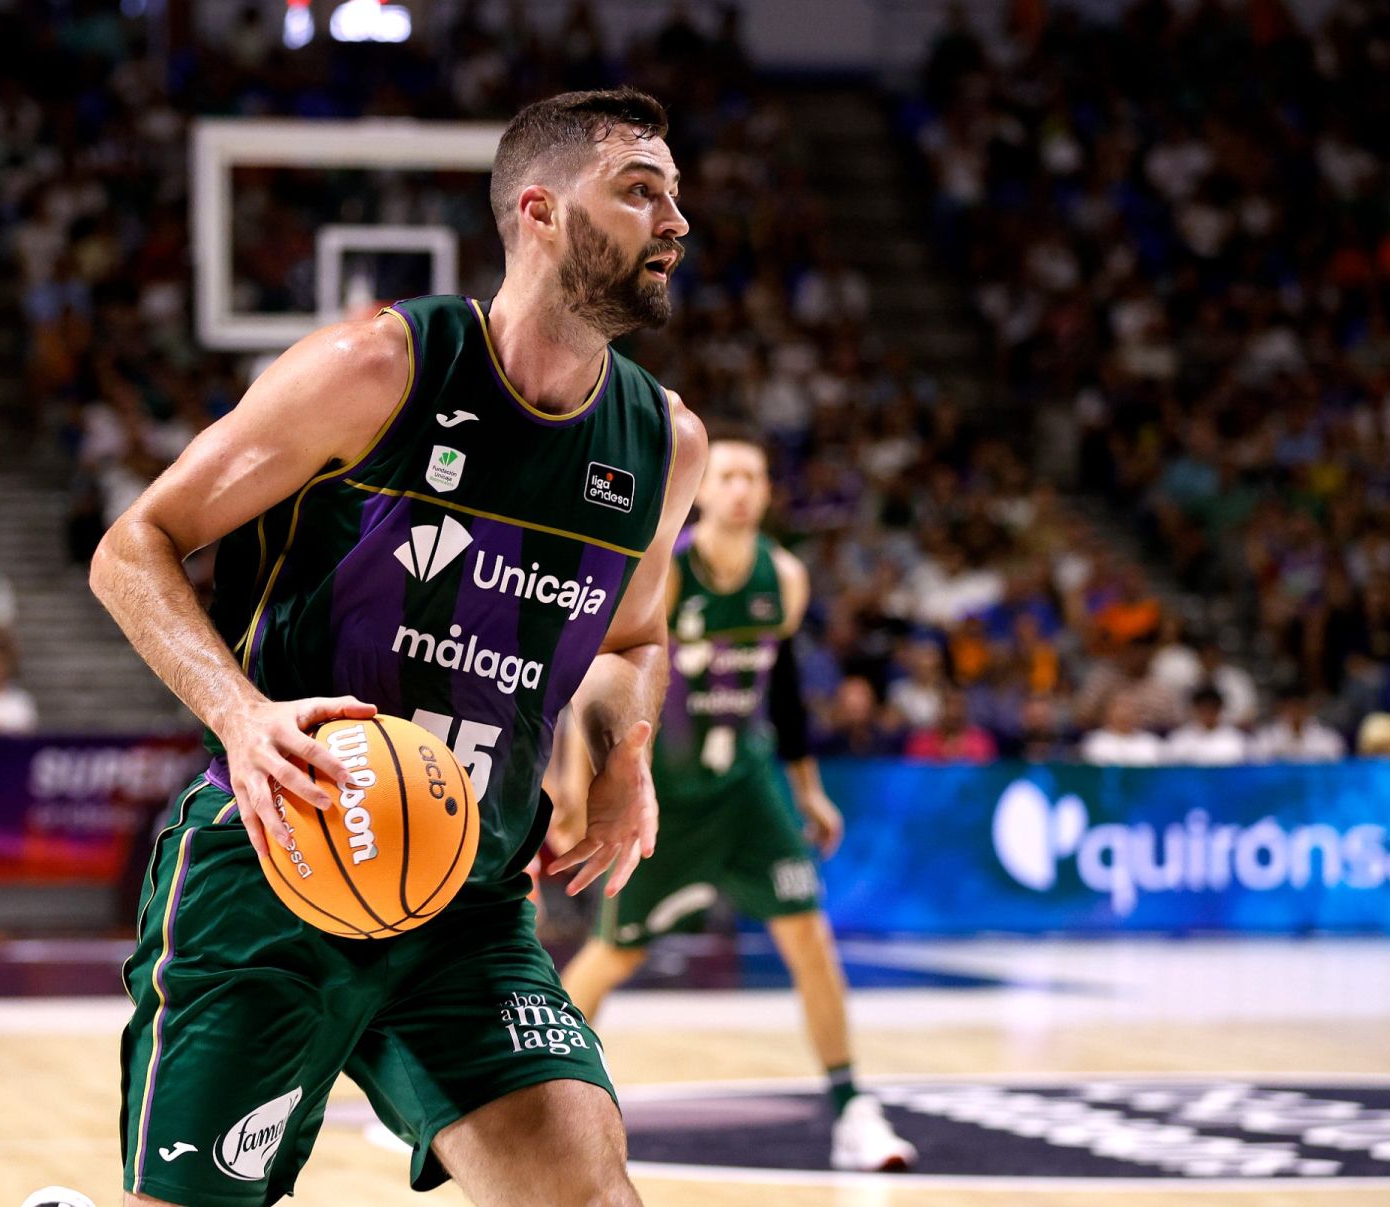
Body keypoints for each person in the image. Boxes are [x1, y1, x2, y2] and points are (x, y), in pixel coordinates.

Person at [90, 88, 706, 1207]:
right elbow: (134, 548)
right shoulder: (378, 369)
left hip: (470, 904)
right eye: (640, 191)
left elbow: (634, 639)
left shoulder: (666, 446)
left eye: (676, 195)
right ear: (541, 212)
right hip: (277, 862)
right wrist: (241, 714)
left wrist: (623, 756)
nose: (676, 222)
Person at [555, 435, 917, 1171]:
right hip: (667, 794)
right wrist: (575, 781)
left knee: (810, 936)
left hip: (749, 788)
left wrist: (809, 791)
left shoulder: (782, 577)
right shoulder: (669, 570)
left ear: (766, 493)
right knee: (613, 955)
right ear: (704, 488)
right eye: (728, 475)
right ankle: (537, 1095)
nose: (742, 488)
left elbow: (782, 695)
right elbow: (603, 672)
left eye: (753, 476)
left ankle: (851, 1107)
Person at [1251, 686, 1346, 762]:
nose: (1295, 713)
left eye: (1299, 707)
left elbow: (1336, 764)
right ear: (1279, 709)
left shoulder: (1327, 738)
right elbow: (1258, 763)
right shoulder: (1266, 737)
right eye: (1290, 708)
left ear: (1308, 708)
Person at [1162, 686, 1250, 765]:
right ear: (1194, 709)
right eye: (1203, 708)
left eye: (1212, 708)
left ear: (1219, 709)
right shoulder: (1180, 739)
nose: (1208, 712)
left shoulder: (1236, 739)